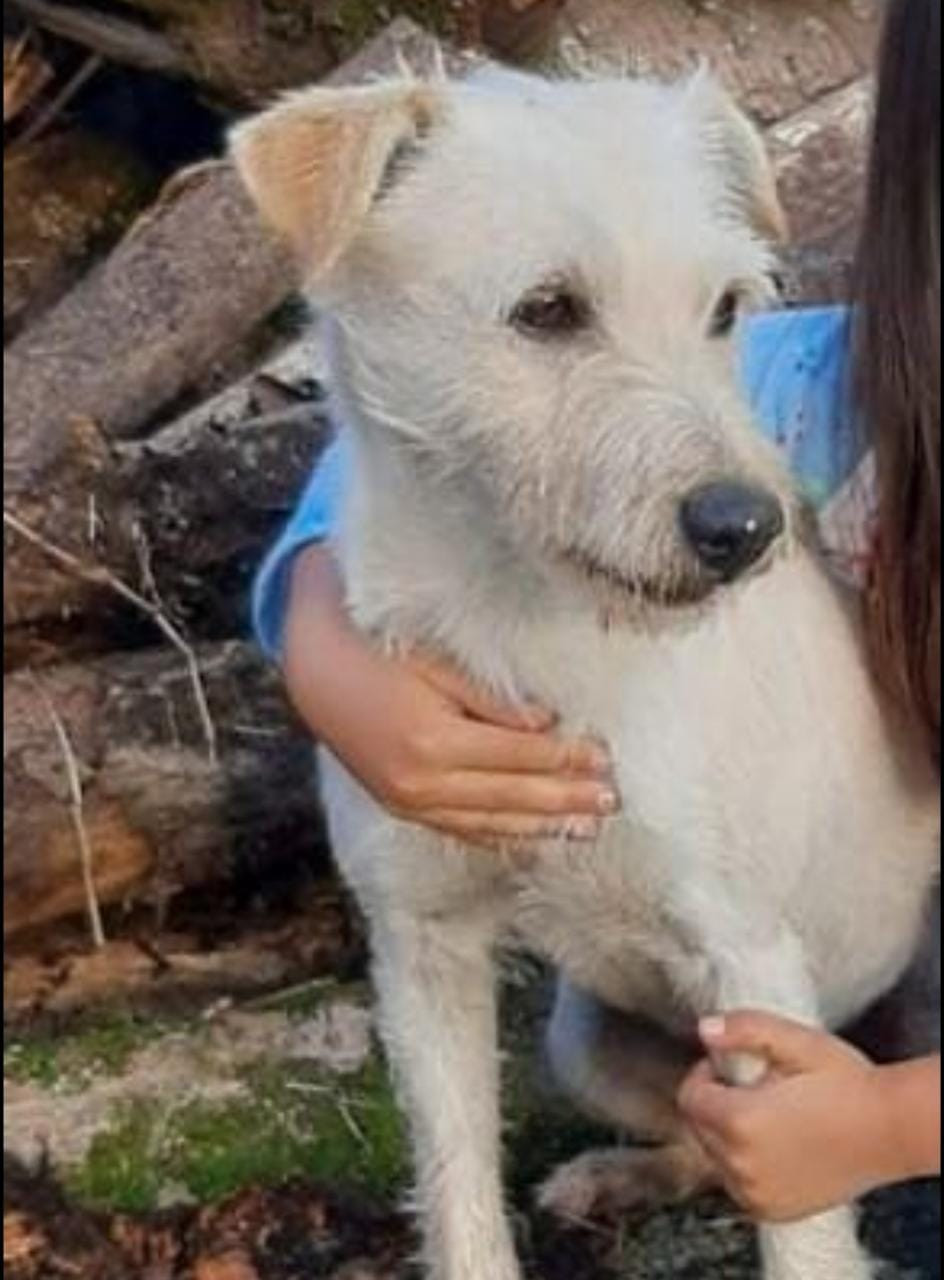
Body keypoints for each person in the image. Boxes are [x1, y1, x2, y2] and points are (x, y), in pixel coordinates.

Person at [252, 0, 940, 1225]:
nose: (731, 497)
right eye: (550, 312)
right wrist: (320, 635)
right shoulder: (839, 388)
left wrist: (887, 1123)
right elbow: (379, 437)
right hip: (765, 1011)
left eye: (716, 308)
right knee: (588, 1057)